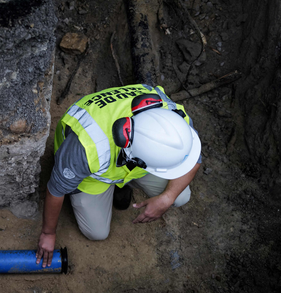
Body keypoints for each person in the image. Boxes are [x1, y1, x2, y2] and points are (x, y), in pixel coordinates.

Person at [36, 84, 202, 267]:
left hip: (126, 164)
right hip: (91, 173)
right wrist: (48, 233)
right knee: (97, 232)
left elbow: (194, 160)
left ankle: (123, 184)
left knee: (180, 195)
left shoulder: (175, 123)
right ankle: (102, 188)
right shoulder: (87, 147)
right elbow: (56, 189)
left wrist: (167, 197)